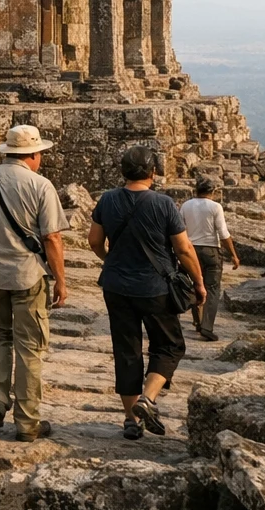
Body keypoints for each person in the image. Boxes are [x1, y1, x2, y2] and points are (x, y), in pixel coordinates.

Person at [0, 124, 68, 442]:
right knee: (30, 348)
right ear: (33, 155)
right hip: (28, 275)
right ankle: (27, 422)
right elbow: (52, 237)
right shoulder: (40, 185)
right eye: (40, 155)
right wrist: (60, 280)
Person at [88, 146, 207, 440]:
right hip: (155, 288)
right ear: (153, 172)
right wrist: (199, 282)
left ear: (123, 171)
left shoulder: (108, 199)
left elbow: (94, 240)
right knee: (169, 345)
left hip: (116, 288)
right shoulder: (164, 204)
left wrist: (110, 261)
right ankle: (148, 398)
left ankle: (131, 420)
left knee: (126, 351)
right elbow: (183, 249)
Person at [180, 178, 239, 341]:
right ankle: (207, 327)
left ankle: (197, 321)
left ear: (195, 190)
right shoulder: (215, 207)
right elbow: (223, 233)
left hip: (190, 250)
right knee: (212, 288)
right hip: (211, 250)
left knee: (193, 284)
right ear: (213, 192)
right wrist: (233, 254)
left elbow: (179, 228)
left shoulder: (186, 205)